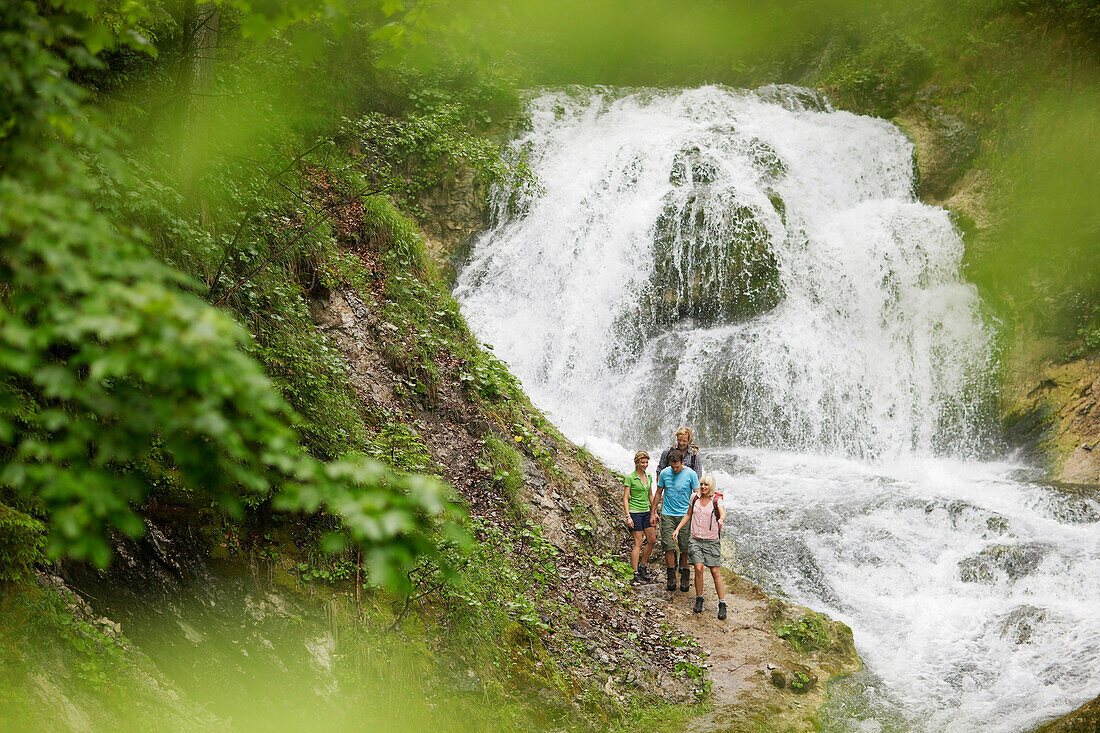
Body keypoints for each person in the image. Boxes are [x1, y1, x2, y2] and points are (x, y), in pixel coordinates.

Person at [674, 473, 727, 620]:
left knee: (715, 572)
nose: (703, 487)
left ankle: (722, 603)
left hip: (711, 541)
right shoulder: (694, 497)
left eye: (706, 485)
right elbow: (688, 515)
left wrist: (721, 520)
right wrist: (677, 529)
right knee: (698, 568)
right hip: (695, 539)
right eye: (702, 484)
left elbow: (722, 513)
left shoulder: (717, 500)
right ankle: (699, 598)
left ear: (711, 487)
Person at [652, 448, 699, 592]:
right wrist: (653, 511)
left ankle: (685, 574)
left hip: (685, 515)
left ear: (682, 462)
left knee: (685, 547)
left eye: (677, 466)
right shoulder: (665, 473)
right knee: (668, 546)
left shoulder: (691, 474)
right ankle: (671, 575)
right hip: (668, 513)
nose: (675, 469)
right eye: (672, 466)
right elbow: (659, 492)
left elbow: (697, 495)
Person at [622, 451, 656, 584]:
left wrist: (654, 511)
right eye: (643, 462)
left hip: (647, 511)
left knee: (652, 540)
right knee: (638, 543)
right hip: (635, 512)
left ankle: (643, 565)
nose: (645, 465)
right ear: (637, 462)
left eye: (647, 462)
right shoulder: (630, 478)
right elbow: (625, 498)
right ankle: (635, 572)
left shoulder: (648, 476)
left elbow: (651, 495)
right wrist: (628, 516)